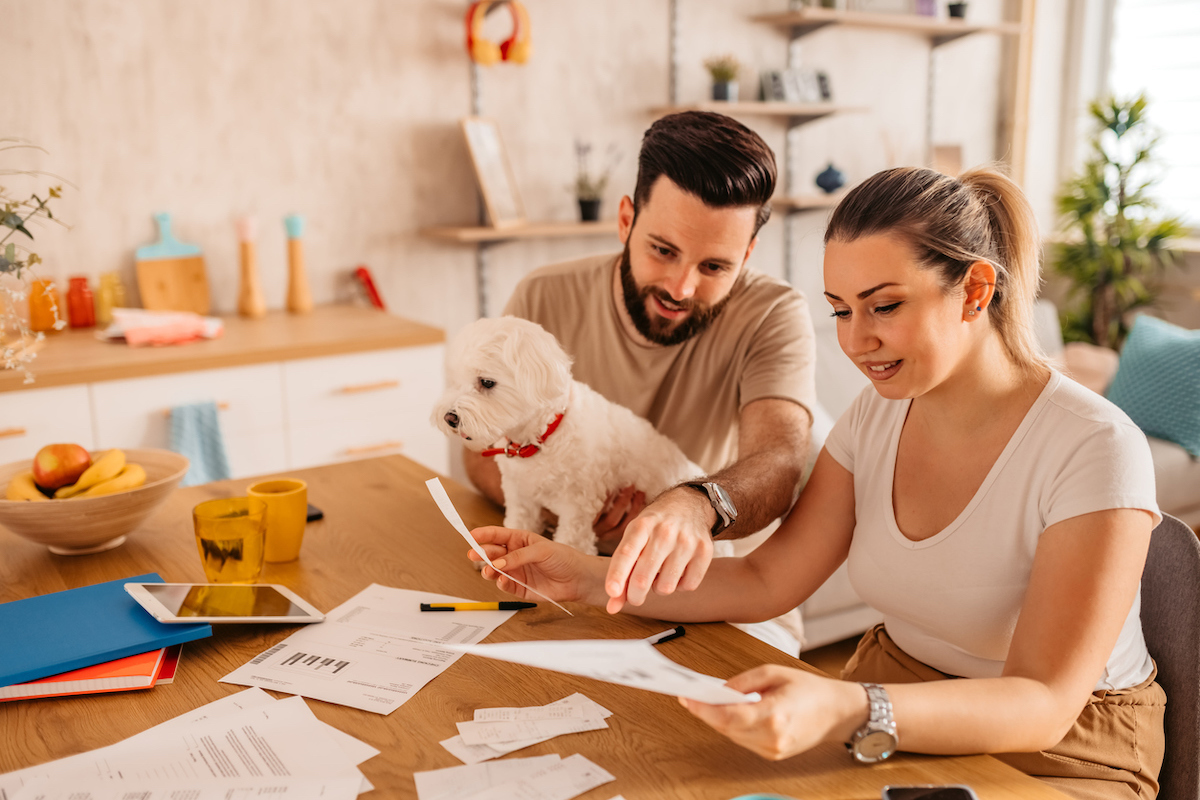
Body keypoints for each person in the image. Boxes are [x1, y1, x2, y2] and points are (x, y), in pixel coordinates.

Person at [465, 165, 1166, 800]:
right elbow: (768, 579)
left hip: (1060, 751)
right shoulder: (876, 415)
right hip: (893, 694)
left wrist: (850, 706)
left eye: (884, 306)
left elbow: (1042, 702)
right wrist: (589, 576)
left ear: (975, 290)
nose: (856, 341)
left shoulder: (1094, 447)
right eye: (840, 309)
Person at [464, 111, 817, 612]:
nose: (682, 288)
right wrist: (560, 505)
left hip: (710, 592)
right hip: (556, 572)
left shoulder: (773, 312)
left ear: (749, 252)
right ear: (626, 220)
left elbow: (780, 460)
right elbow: (480, 442)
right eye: (663, 250)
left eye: (715, 266)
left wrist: (694, 506)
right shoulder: (543, 296)